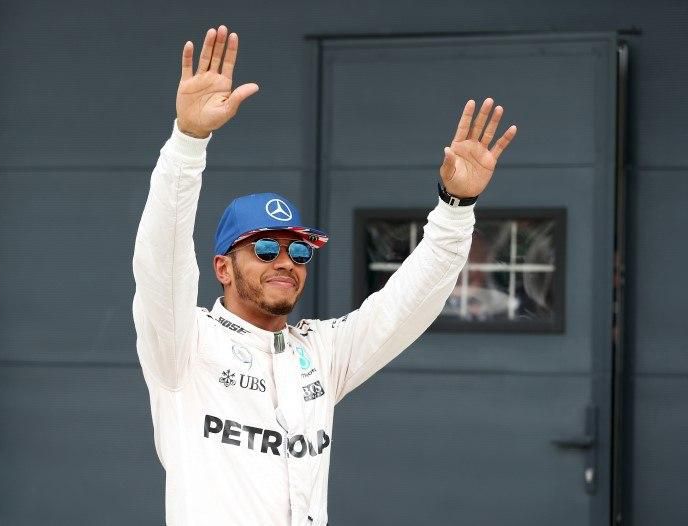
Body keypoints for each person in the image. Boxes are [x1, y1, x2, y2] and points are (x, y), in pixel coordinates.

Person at [132, 24, 517, 526]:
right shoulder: (183, 345)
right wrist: (187, 143)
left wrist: (456, 207)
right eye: (265, 248)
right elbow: (162, 258)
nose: (285, 261)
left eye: (298, 251)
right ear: (222, 268)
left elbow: (410, 303)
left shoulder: (318, 352)